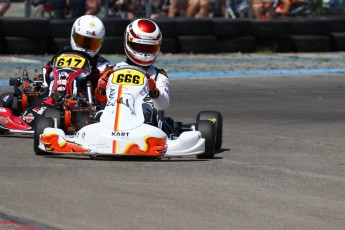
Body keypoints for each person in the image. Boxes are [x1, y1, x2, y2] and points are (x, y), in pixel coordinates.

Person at [19, 15, 110, 128]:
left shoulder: (102, 64)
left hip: (83, 103)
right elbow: (48, 74)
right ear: (74, 36)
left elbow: (104, 88)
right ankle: (47, 102)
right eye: (82, 41)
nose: (85, 47)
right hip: (52, 98)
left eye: (91, 44)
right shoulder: (61, 55)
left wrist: (98, 77)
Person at [94, 18, 170, 118]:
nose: (145, 53)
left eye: (150, 48)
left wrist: (154, 92)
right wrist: (101, 89)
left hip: (145, 123)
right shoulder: (111, 71)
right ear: (128, 41)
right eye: (140, 47)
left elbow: (163, 105)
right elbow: (100, 100)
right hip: (111, 120)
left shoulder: (158, 76)